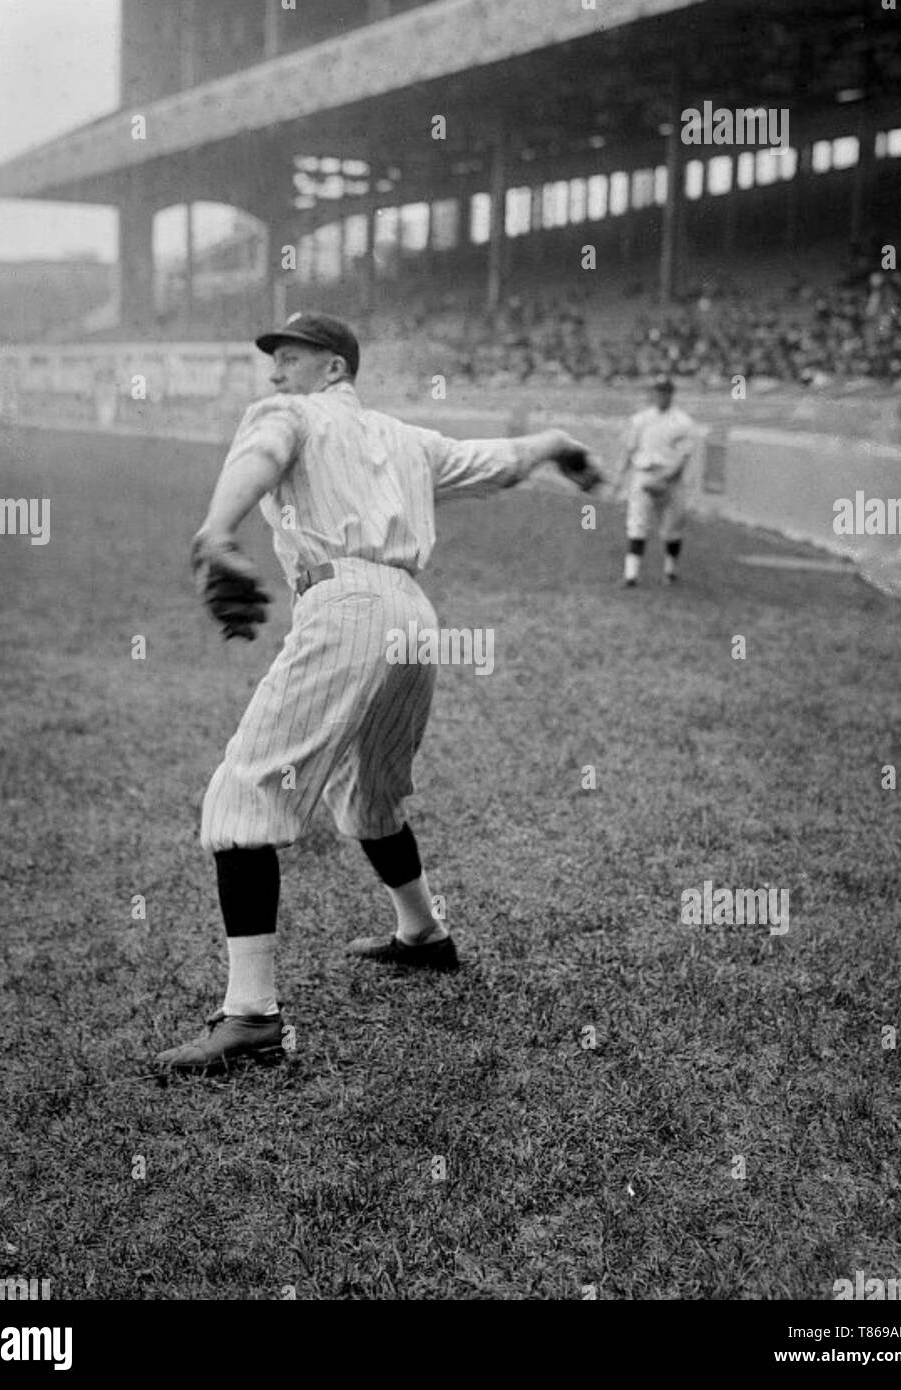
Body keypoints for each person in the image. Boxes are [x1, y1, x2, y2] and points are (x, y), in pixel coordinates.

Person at [156, 311, 601, 1072]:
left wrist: (216, 533)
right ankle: (423, 933)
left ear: (335, 369)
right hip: (412, 616)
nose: (275, 373)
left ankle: (251, 1015)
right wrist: (556, 444)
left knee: (244, 796)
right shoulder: (409, 440)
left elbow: (261, 450)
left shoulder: (290, 413)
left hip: (346, 604)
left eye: (290, 358)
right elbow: (498, 462)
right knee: (372, 792)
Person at [615, 375, 696, 587]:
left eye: (665, 391)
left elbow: (683, 457)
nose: (661, 395)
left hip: (670, 478)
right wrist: (619, 477)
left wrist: (666, 477)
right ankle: (631, 575)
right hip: (644, 473)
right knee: (637, 524)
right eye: (658, 391)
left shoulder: (683, 422)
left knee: (672, 527)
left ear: (671, 394)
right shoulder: (641, 419)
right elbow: (629, 449)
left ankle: (670, 571)